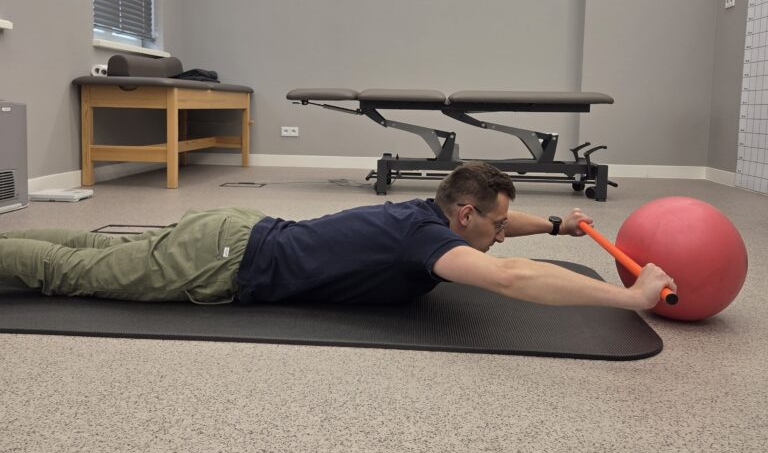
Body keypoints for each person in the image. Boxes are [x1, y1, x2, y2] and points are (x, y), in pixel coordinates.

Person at [0, 162, 675, 310]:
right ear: (465, 216)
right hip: (222, 261)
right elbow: (510, 277)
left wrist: (557, 224)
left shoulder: (432, 210)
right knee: (70, 275)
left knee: (100, 249)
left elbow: (498, 235)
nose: (506, 234)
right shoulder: (430, 245)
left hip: (234, 230)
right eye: (499, 224)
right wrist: (631, 297)